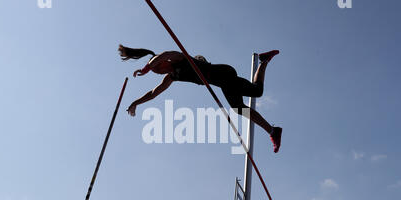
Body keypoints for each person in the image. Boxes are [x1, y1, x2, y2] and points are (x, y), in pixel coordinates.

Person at [118, 44, 282, 153]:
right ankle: (264, 61)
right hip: (223, 82)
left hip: (223, 73)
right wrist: (135, 103)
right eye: (157, 73)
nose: (160, 73)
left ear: (161, 63)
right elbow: (154, 92)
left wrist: (146, 68)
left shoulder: (177, 58)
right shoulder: (171, 77)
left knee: (240, 108)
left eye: (158, 70)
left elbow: (164, 54)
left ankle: (273, 131)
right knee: (255, 93)